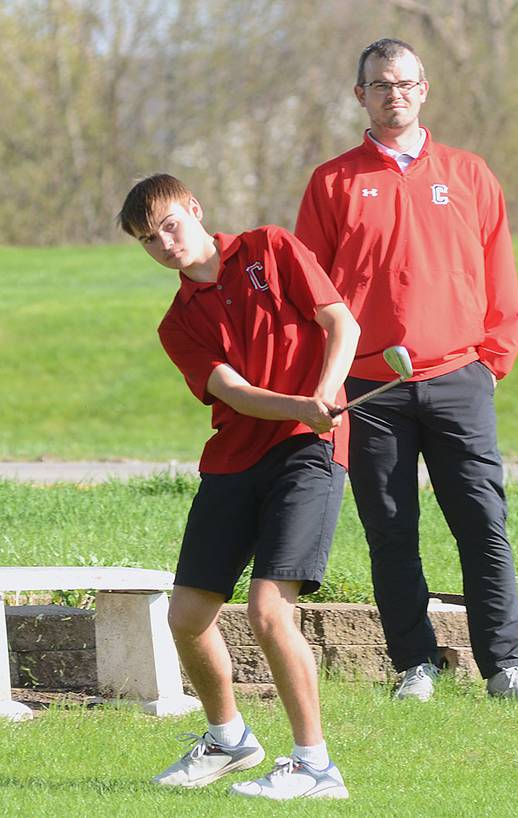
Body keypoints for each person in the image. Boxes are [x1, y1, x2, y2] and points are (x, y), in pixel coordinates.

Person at [296, 38, 518, 706]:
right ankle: (415, 664)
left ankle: (505, 667)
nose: (394, 94)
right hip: (369, 389)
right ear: (361, 95)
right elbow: (310, 294)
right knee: (391, 530)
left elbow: (500, 270)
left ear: (424, 89)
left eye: (405, 83)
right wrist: (324, 380)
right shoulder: (333, 182)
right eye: (380, 85)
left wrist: (492, 360)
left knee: (482, 521)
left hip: (458, 375)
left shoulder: (468, 173)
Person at [117, 173, 359, 800]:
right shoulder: (177, 324)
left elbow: (341, 323)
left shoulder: (270, 248)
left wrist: (325, 394)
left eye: (170, 224)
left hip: (309, 452)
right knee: (187, 616)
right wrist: (298, 403)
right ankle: (229, 739)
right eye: (149, 240)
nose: (165, 243)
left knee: (269, 610)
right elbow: (234, 393)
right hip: (232, 460)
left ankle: (315, 766)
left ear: (194, 208)